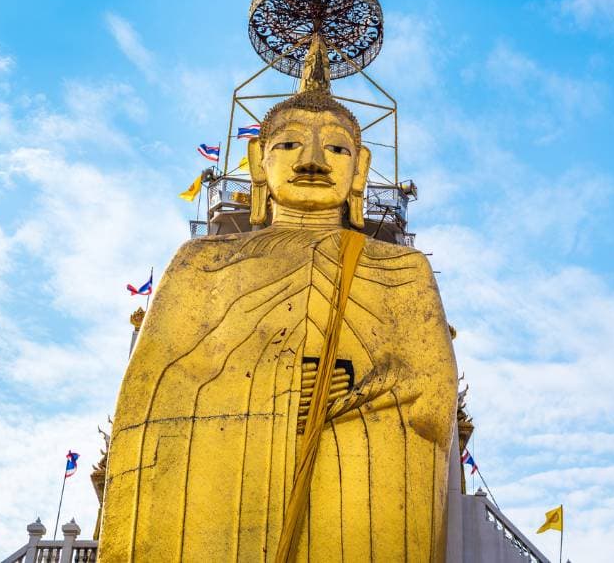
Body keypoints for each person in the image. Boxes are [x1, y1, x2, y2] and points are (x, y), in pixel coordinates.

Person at [99, 38, 457, 562]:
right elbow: (155, 396)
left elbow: (431, 397)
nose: (312, 161)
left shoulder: (404, 271)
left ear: (361, 169)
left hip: (353, 499)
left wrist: (354, 393)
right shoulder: (202, 264)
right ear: (257, 162)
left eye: (337, 149)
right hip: (230, 502)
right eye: (288, 145)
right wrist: (282, 385)